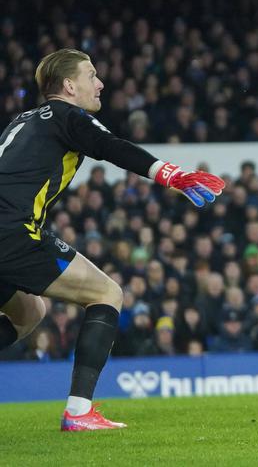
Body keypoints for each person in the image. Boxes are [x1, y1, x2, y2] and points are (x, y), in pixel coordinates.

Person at [0, 49, 226, 430]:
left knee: (29, 313)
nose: (100, 83)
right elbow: (112, 147)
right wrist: (169, 174)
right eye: (91, 75)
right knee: (107, 294)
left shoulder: (22, 121)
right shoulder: (67, 115)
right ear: (69, 86)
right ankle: (78, 412)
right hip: (11, 233)